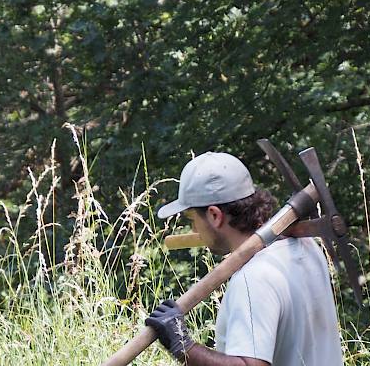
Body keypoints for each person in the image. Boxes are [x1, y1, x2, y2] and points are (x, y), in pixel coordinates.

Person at [146, 151, 343, 366]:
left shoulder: (253, 279)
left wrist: (182, 345)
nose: (193, 229)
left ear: (214, 215)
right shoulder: (306, 247)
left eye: (192, 219)